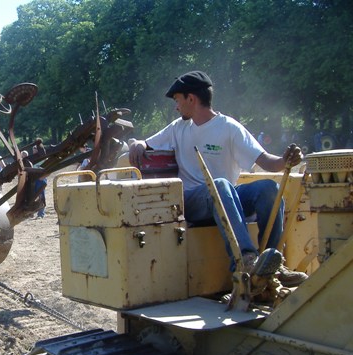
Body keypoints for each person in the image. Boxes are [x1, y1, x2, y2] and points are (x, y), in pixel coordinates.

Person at [129, 70, 307, 288]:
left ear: (191, 99)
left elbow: (268, 162)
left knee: (269, 188)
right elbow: (147, 143)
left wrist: (286, 160)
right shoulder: (178, 128)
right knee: (221, 185)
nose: (176, 107)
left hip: (226, 197)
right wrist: (137, 143)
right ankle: (246, 261)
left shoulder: (229, 128)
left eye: (177, 100)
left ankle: (272, 264)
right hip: (192, 201)